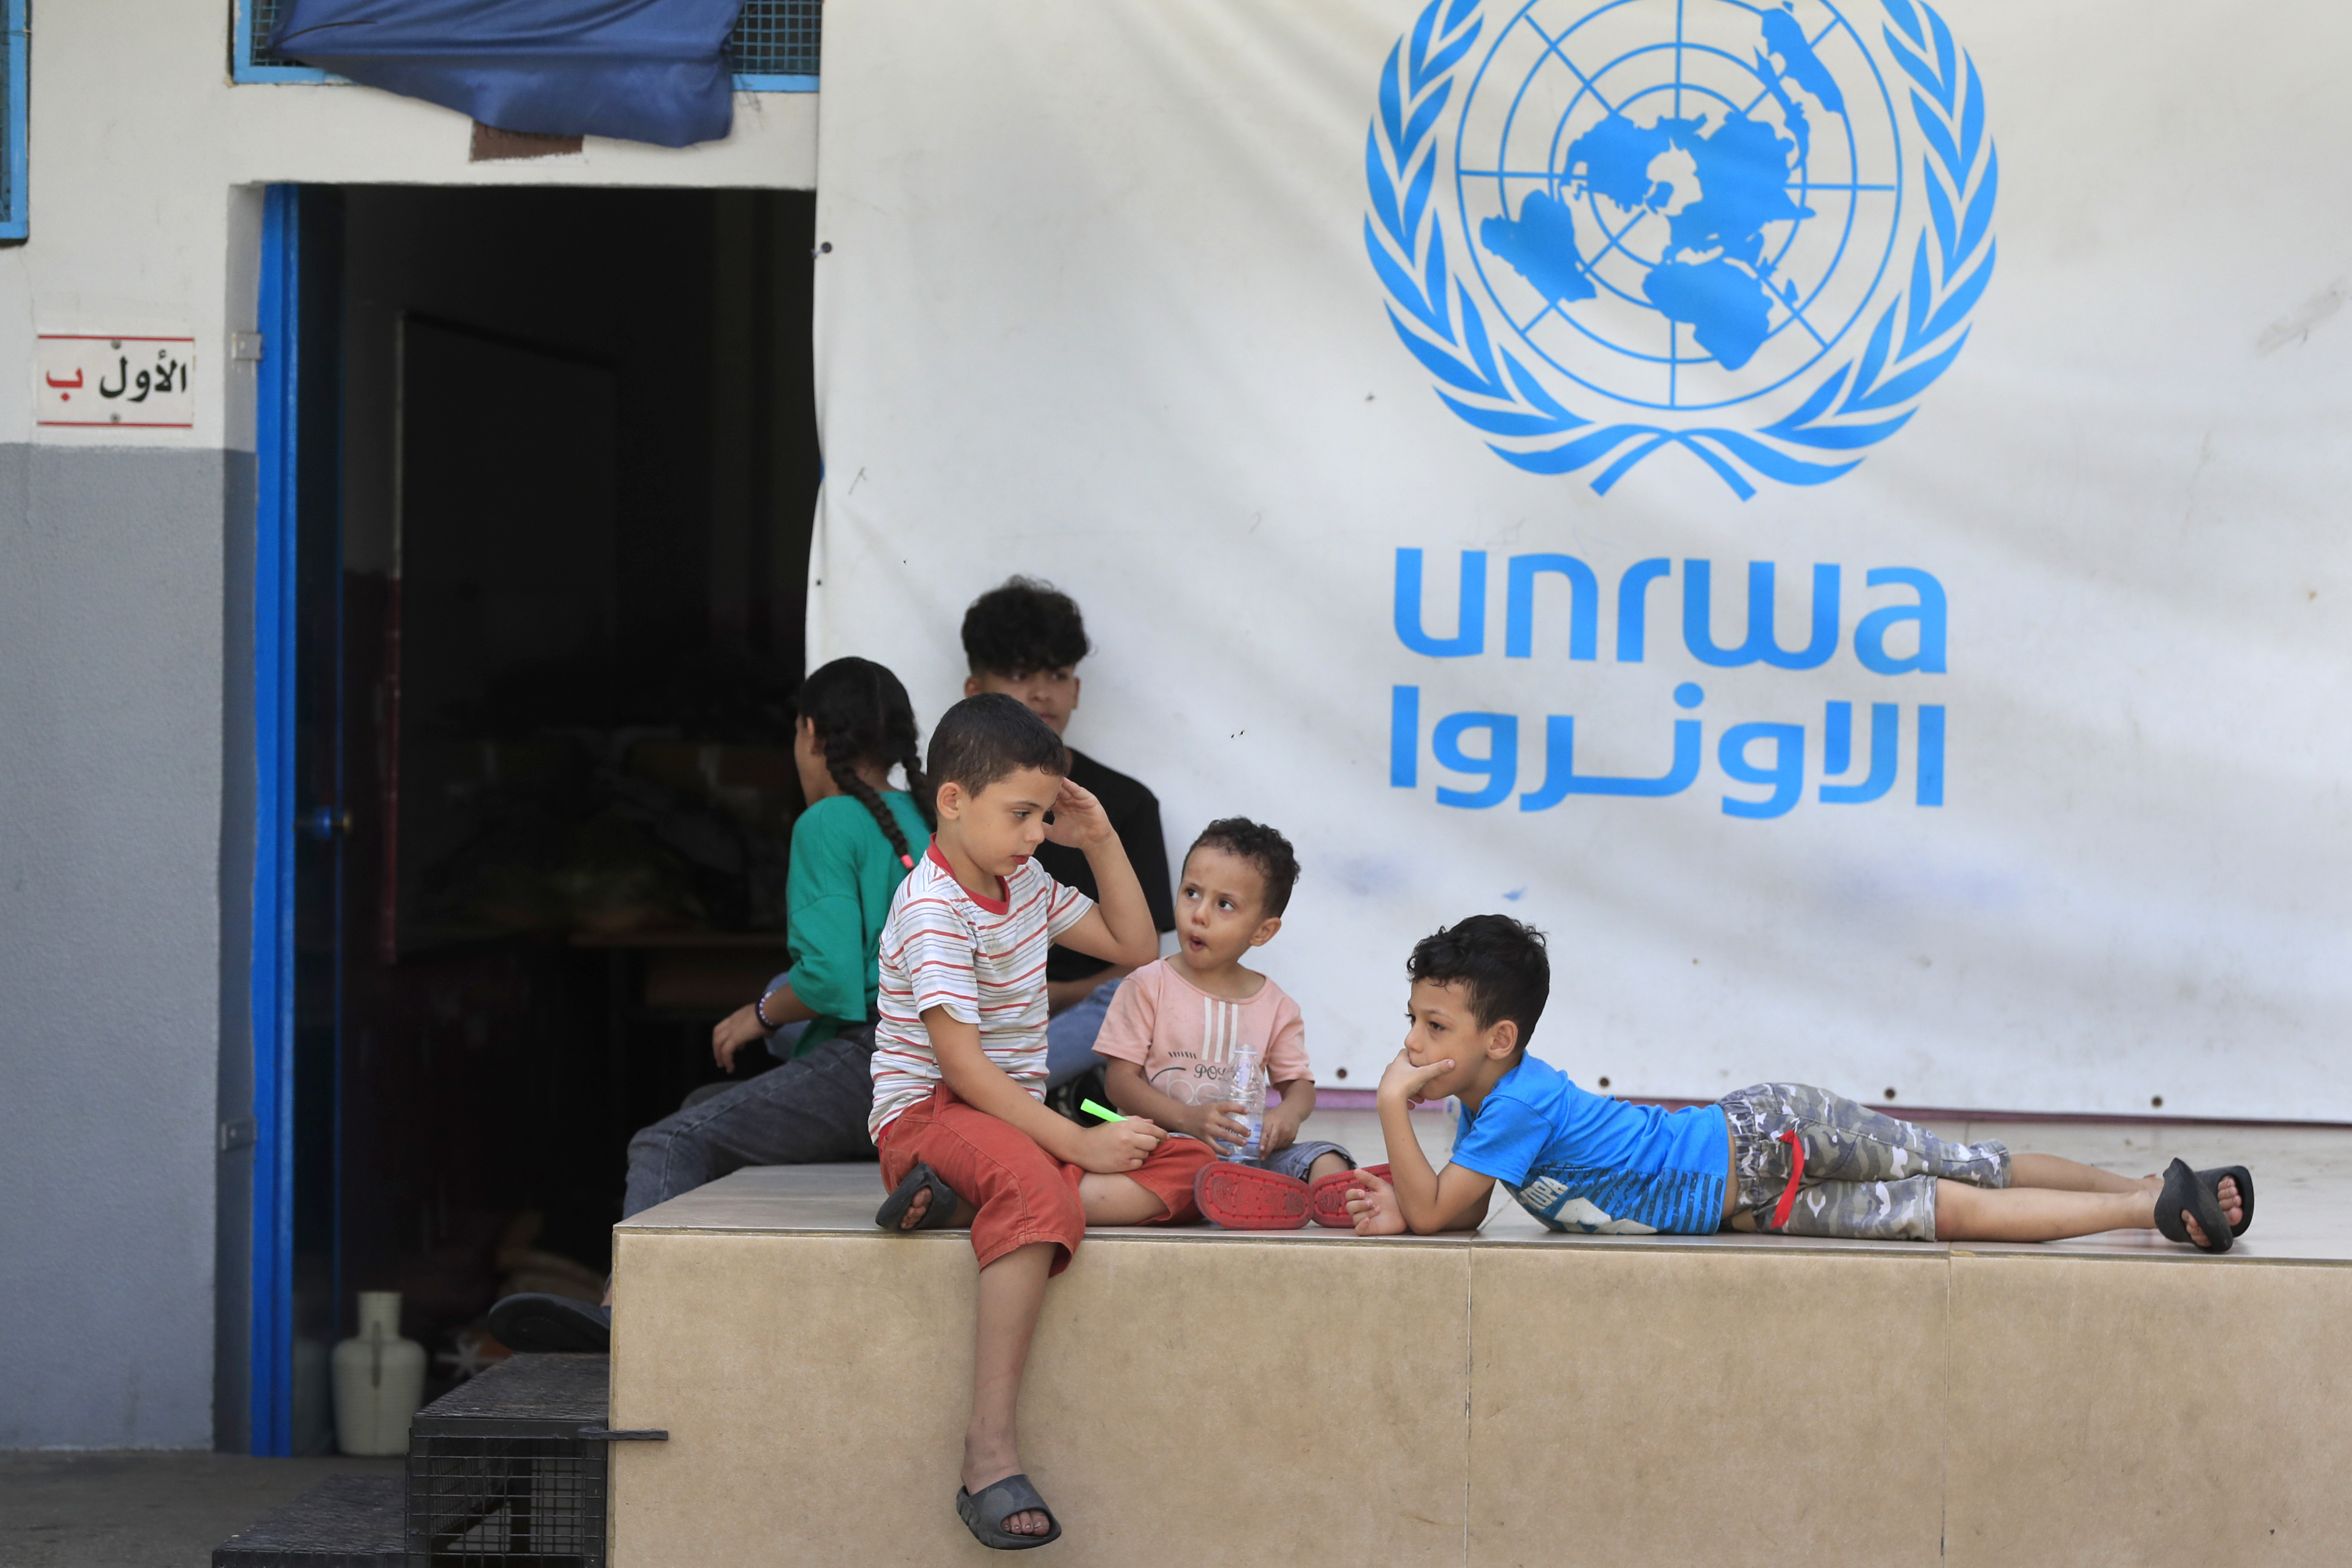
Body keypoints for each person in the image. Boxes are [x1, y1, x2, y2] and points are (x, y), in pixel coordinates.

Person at [488, 657, 932, 1355]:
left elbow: (829, 981)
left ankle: (625, 1313)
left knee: (668, 1141)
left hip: (871, 1066)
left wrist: (754, 1015)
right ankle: (701, 1316)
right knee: (704, 1108)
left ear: (812, 734)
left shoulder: (828, 824)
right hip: (932, 1067)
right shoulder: (930, 818)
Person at [1345, 915, 2254, 1253]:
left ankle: (2143, 1189)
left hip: (1765, 1137)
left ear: (1500, 1039)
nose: (1414, 1044)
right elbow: (1453, 1214)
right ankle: (2152, 1207)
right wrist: (1404, 1203)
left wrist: (1390, 1105)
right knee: (1954, 1213)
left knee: (1973, 1168)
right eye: (1414, 1021)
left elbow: (1434, 1215)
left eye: (1435, 1028)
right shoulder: (1486, 1107)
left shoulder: (1519, 1101)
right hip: (1754, 1206)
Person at [869, 692, 1210, 1549]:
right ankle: (987, 1455)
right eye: (1021, 815)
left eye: (1043, 817)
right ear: (953, 800)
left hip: (1004, 1124)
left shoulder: (1023, 880)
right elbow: (963, 1069)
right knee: (1035, 1187)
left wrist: (1098, 839)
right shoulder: (932, 907)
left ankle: (965, 1199)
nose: (1032, 834)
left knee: (1185, 1165)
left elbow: (1136, 948)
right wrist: (1077, 1142)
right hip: (930, 1117)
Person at [1093, 817, 1361, 1230]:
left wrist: (1286, 1117)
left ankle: (1330, 1202)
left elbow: (1299, 1087)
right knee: (1183, 1167)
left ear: (1263, 931)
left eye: (1225, 905)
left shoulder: (1277, 1006)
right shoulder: (1147, 985)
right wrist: (1187, 1121)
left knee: (1326, 1158)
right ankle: (1245, 1198)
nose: (1199, 915)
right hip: (1164, 1147)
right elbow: (1119, 1083)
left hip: (1245, 1154)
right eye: (1192, 893)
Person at [959, 578, 1176, 1087]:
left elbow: (1143, 965)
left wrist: (1052, 995)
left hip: (1079, 1022)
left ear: (1076, 689)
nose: (1040, 692)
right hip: (972, 1018)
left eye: (1057, 674)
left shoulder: (1123, 804)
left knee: (1142, 995)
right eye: (1017, 674)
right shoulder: (949, 801)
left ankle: (997, 1089)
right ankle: (1013, 1088)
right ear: (975, 690)